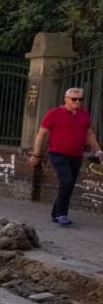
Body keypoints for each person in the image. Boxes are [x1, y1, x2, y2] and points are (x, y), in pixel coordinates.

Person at [29, 87, 103, 226]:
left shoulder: (84, 115)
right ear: (66, 99)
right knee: (67, 181)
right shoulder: (54, 114)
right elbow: (41, 134)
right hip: (58, 154)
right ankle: (62, 214)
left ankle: (55, 213)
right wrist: (36, 154)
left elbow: (89, 134)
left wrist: (98, 152)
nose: (77, 102)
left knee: (68, 185)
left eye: (80, 99)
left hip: (76, 155)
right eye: (74, 99)